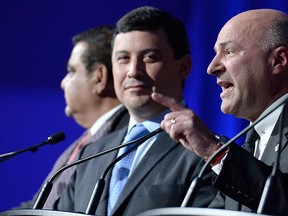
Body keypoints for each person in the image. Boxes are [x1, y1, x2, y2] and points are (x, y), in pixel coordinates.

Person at [56, 6, 217, 216]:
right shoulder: (91, 153)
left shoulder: (207, 153)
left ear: (184, 66)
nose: (133, 71)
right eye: (123, 58)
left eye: (149, 57)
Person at [152, 9, 288, 215]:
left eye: (229, 52)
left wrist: (213, 150)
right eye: (216, 53)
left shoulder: (232, 153)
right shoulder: (252, 140)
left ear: (278, 60)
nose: (211, 67)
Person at [19, 26, 129, 209]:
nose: (63, 83)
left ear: (99, 77)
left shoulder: (123, 140)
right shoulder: (88, 140)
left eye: (72, 71)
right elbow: (39, 206)